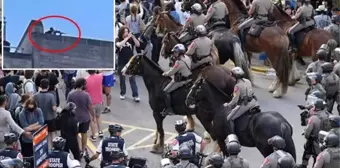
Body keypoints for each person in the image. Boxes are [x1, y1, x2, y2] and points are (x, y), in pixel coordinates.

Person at [223, 67, 259, 134]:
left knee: (229, 119)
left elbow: (235, 100)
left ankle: (232, 136)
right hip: (254, 102)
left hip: (245, 105)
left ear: (235, 76)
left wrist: (228, 105)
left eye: (232, 76)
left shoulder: (237, 86)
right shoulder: (248, 81)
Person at [298, 98, 331, 168]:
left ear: (316, 107)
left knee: (307, 152)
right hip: (325, 141)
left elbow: (307, 134)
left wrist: (306, 134)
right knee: (317, 158)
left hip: (313, 141)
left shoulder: (313, 118)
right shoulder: (329, 115)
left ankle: (304, 165)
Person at [67, 77, 95, 157]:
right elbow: (90, 107)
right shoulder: (86, 95)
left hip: (74, 118)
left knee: (75, 134)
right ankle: (83, 150)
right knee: (84, 133)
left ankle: (77, 150)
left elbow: (68, 105)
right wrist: (93, 116)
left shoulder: (71, 94)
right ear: (82, 85)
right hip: (85, 118)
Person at [162, 44, 192, 116]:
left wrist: (164, 74)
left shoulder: (179, 62)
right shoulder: (187, 57)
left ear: (180, 53)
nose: (174, 54)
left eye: (175, 52)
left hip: (180, 81)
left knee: (165, 91)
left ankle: (169, 109)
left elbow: (171, 72)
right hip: (188, 79)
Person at [116, 26, 140, 102]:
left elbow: (138, 45)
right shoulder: (118, 39)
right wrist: (127, 38)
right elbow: (119, 45)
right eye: (125, 32)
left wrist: (133, 38)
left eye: (127, 31)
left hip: (130, 62)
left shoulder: (131, 40)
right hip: (121, 62)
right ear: (121, 33)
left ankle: (135, 95)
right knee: (122, 80)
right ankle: (122, 93)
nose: (126, 33)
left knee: (132, 79)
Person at [18, 98, 44, 165]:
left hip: (37, 139)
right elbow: (25, 128)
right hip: (27, 140)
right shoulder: (22, 113)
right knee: (28, 159)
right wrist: (36, 124)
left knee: (38, 158)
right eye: (30, 109)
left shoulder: (38, 110)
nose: (31, 110)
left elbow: (41, 123)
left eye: (33, 108)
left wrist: (30, 127)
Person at [34, 78, 58, 150]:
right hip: (51, 118)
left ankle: (44, 149)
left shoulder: (36, 96)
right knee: (52, 134)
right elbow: (54, 108)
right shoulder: (51, 96)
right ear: (48, 86)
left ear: (40, 86)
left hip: (40, 119)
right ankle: (52, 148)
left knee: (42, 135)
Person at [86, 70, 104, 141]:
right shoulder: (100, 77)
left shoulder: (86, 79)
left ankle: (93, 136)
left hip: (91, 103)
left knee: (92, 120)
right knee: (98, 117)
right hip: (99, 101)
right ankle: (100, 132)